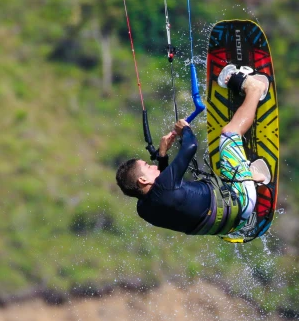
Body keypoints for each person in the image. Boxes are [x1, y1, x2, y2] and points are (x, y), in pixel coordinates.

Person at [115, 65, 271, 237]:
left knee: (204, 187)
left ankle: (249, 178)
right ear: (143, 179)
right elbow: (191, 147)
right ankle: (255, 89)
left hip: (234, 226)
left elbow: (167, 194)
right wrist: (185, 130)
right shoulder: (164, 186)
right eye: (147, 166)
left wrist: (162, 155)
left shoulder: (143, 210)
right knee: (229, 133)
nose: (153, 166)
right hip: (242, 200)